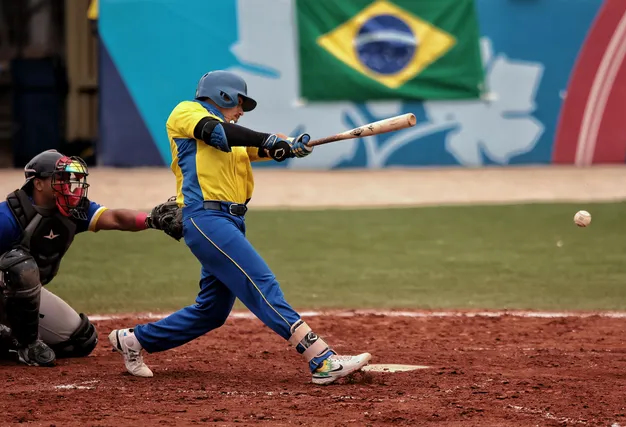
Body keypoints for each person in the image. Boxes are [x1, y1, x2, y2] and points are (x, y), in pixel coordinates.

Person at [110, 70, 371, 385]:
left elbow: (257, 148)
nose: (242, 110)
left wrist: (289, 146)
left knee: (212, 311)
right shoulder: (187, 112)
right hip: (207, 220)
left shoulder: (233, 135)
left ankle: (135, 340)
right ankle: (321, 359)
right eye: (240, 102)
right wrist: (267, 140)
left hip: (231, 221)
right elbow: (216, 132)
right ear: (223, 95)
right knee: (260, 282)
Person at [0, 149, 182, 367]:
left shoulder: (72, 210)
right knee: (20, 267)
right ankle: (26, 346)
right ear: (38, 183)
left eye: (71, 179)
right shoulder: (9, 216)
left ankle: (6, 341)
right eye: (61, 179)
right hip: (6, 286)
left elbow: (114, 218)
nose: (69, 185)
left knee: (80, 341)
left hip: (20, 295)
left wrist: (151, 220)